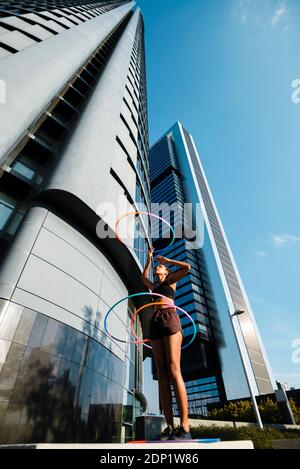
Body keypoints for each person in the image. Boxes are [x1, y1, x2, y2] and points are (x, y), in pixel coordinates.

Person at [141, 246, 192, 440]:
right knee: (162, 375)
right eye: (157, 267)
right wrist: (149, 259)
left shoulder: (171, 281)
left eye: (159, 267)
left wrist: (167, 261)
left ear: (166, 271)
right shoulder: (153, 288)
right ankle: (170, 427)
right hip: (155, 323)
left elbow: (186, 267)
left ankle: (185, 426)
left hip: (170, 319)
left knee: (173, 370)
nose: (157, 268)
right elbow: (142, 278)